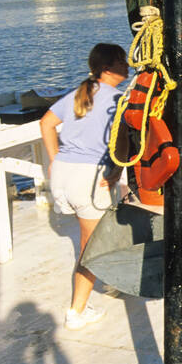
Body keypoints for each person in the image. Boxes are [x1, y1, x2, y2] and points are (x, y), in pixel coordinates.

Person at [40, 43, 130, 330]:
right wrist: (116, 170)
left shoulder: (78, 94)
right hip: (89, 177)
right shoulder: (119, 99)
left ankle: (113, 279)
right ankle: (76, 312)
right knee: (89, 247)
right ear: (107, 69)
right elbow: (125, 140)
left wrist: (54, 161)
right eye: (121, 61)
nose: (127, 65)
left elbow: (46, 124)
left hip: (64, 174)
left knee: (104, 229)